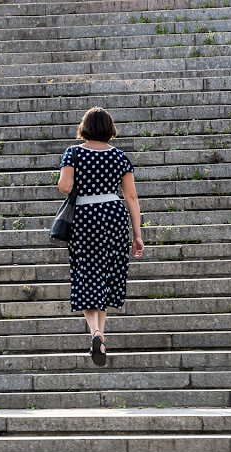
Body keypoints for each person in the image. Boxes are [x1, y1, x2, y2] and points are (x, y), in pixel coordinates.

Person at [57, 107, 144, 366]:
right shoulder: (120, 157)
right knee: (106, 273)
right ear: (109, 129)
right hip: (114, 216)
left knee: (86, 272)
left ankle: (94, 331)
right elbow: (131, 196)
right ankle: (101, 336)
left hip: (85, 216)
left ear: (85, 127)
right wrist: (136, 234)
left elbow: (65, 186)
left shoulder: (73, 153)